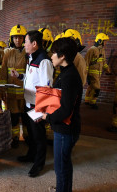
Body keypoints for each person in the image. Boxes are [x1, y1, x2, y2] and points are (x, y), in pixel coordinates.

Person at [40, 38, 82, 192]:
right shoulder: (66, 72)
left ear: (62, 55)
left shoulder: (69, 77)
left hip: (66, 130)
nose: (51, 56)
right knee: (62, 164)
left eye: (53, 53)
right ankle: (62, 188)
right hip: (63, 128)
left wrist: (47, 117)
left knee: (61, 166)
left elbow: (65, 110)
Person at [11, 30, 54, 177]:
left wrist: (43, 111)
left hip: (37, 106)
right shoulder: (31, 57)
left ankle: (39, 163)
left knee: (39, 137)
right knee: (30, 134)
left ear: (34, 44)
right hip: (28, 103)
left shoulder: (44, 61)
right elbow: (31, 79)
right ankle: (31, 155)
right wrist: (19, 76)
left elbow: (47, 87)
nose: (24, 44)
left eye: (26, 42)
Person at [0, 24, 27, 148]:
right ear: (11, 39)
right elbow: (3, 72)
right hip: (11, 93)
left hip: (26, 93)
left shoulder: (28, 52)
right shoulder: (7, 53)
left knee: (26, 117)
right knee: (13, 117)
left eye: (20, 38)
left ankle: (27, 136)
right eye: (15, 37)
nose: (18, 40)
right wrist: (2, 89)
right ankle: (14, 137)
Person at [84, 33, 111, 109]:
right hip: (92, 72)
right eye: (104, 41)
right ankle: (93, 102)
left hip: (98, 73)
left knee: (91, 87)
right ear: (100, 41)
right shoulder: (92, 50)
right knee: (97, 88)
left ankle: (87, 100)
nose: (105, 43)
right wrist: (86, 74)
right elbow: (86, 62)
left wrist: (107, 70)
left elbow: (103, 62)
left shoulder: (102, 50)